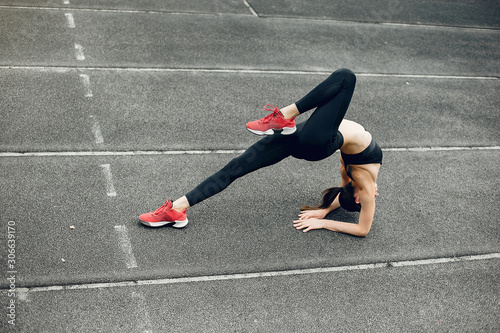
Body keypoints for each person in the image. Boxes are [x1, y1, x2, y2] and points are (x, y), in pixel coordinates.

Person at [139, 68, 382, 237]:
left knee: (346, 78)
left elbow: (363, 229)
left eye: (368, 196)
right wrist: (326, 208)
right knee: (235, 167)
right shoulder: (352, 181)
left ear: (360, 197)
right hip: (296, 139)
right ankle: (177, 209)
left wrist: (323, 222)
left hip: (316, 142)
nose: (376, 194)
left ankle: (285, 115)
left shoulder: (363, 181)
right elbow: (344, 193)